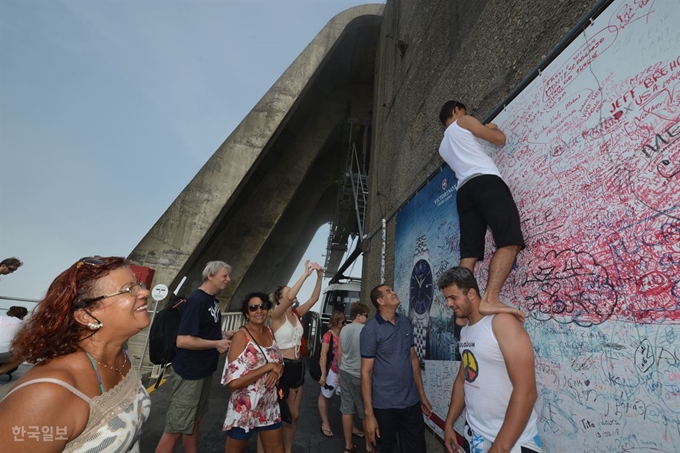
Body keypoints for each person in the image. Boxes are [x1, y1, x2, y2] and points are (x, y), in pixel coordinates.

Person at [0, 256, 151, 452]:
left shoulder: (121, 355)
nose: (145, 292)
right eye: (129, 289)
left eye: (139, 284)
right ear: (86, 315)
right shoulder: (48, 393)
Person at [438, 101, 525, 322]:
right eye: (465, 113)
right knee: (509, 240)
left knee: (469, 253)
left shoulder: (443, 147)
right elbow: (498, 139)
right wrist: (493, 129)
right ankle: (490, 298)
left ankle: (461, 311)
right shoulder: (463, 121)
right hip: (485, 182)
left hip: (464, 192)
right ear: (457, 111)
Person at [438, 267, 541, 453]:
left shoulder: (501, 323)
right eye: (446, 298)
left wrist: (500, 448)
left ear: (471, 293)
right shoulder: (466, 330)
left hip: (512, 443)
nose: (449, 304)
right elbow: (464, 379)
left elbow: (526, 392)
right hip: (476, 437)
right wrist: (449, 424)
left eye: (453, 297)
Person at [155, 261, 234, 453]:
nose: (228, 280)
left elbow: (201, 331)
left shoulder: (212, 301)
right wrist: (216, 344)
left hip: (203, 371)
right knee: (176, 427)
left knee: (194, 421)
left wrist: (222, 335)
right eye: (224, 276)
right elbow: (183, 341)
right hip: (190, 373)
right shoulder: (197, 301)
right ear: (210, 276)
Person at [360, 284, 432, 453]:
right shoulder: (370, 330)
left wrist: (422, 396)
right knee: (385, 449)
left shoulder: (405, 322)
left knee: (418, 449)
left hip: (411, 403)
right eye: (388, 292)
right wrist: (369, 415)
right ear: (380, 301)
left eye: (392, 290)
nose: (394, 292)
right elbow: (366, 372)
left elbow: (413, 360)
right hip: (384, 407)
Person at [264, 260, 323, 453]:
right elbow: (289, 298)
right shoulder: (276, 316)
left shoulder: (296, 314)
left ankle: (287, 450)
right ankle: (269, 448)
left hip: (298, 367)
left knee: (294, 415)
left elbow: (314, 299)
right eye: (288, 292)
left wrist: (319, 277)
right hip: (281, 368)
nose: (293, 294)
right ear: (280, 300)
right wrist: (305, 274)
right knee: (273, 414)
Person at [222, 292, 285, 453]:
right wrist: (267, 367)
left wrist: (276, 370)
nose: (259, 310)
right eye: (253, 307)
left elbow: (279, 365)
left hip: (268, 406)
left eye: (263, 306)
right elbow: (233, 383)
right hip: (244, 408)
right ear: (246, 313)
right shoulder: (240, 337)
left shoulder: (269, 333)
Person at [338, 302, 371, 453]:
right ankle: (369, 447)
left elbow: (339, 354)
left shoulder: (343, 330)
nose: (367, 318)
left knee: (347, 408)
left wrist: (339, 372)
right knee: (365, 411)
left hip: (345, 371)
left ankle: (348, 446)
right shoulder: (366, 330)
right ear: (359, 315)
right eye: (366, 315)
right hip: (360, 374)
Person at [318, 310, 345, 438]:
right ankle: (325, 422)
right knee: (325, 395)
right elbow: (323, 354)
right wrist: (323, 374)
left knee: (344, 397)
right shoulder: (329, 335)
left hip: (341, 370)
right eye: (343, 322)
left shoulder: (342, 334)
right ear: (337, 322)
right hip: (332, 370)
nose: (345, 324)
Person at [0, 306, 29, 377]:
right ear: (23, 316)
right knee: (24, 355)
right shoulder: (22, 324)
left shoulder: (1, 318)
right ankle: (1, 371)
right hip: (3, 353)